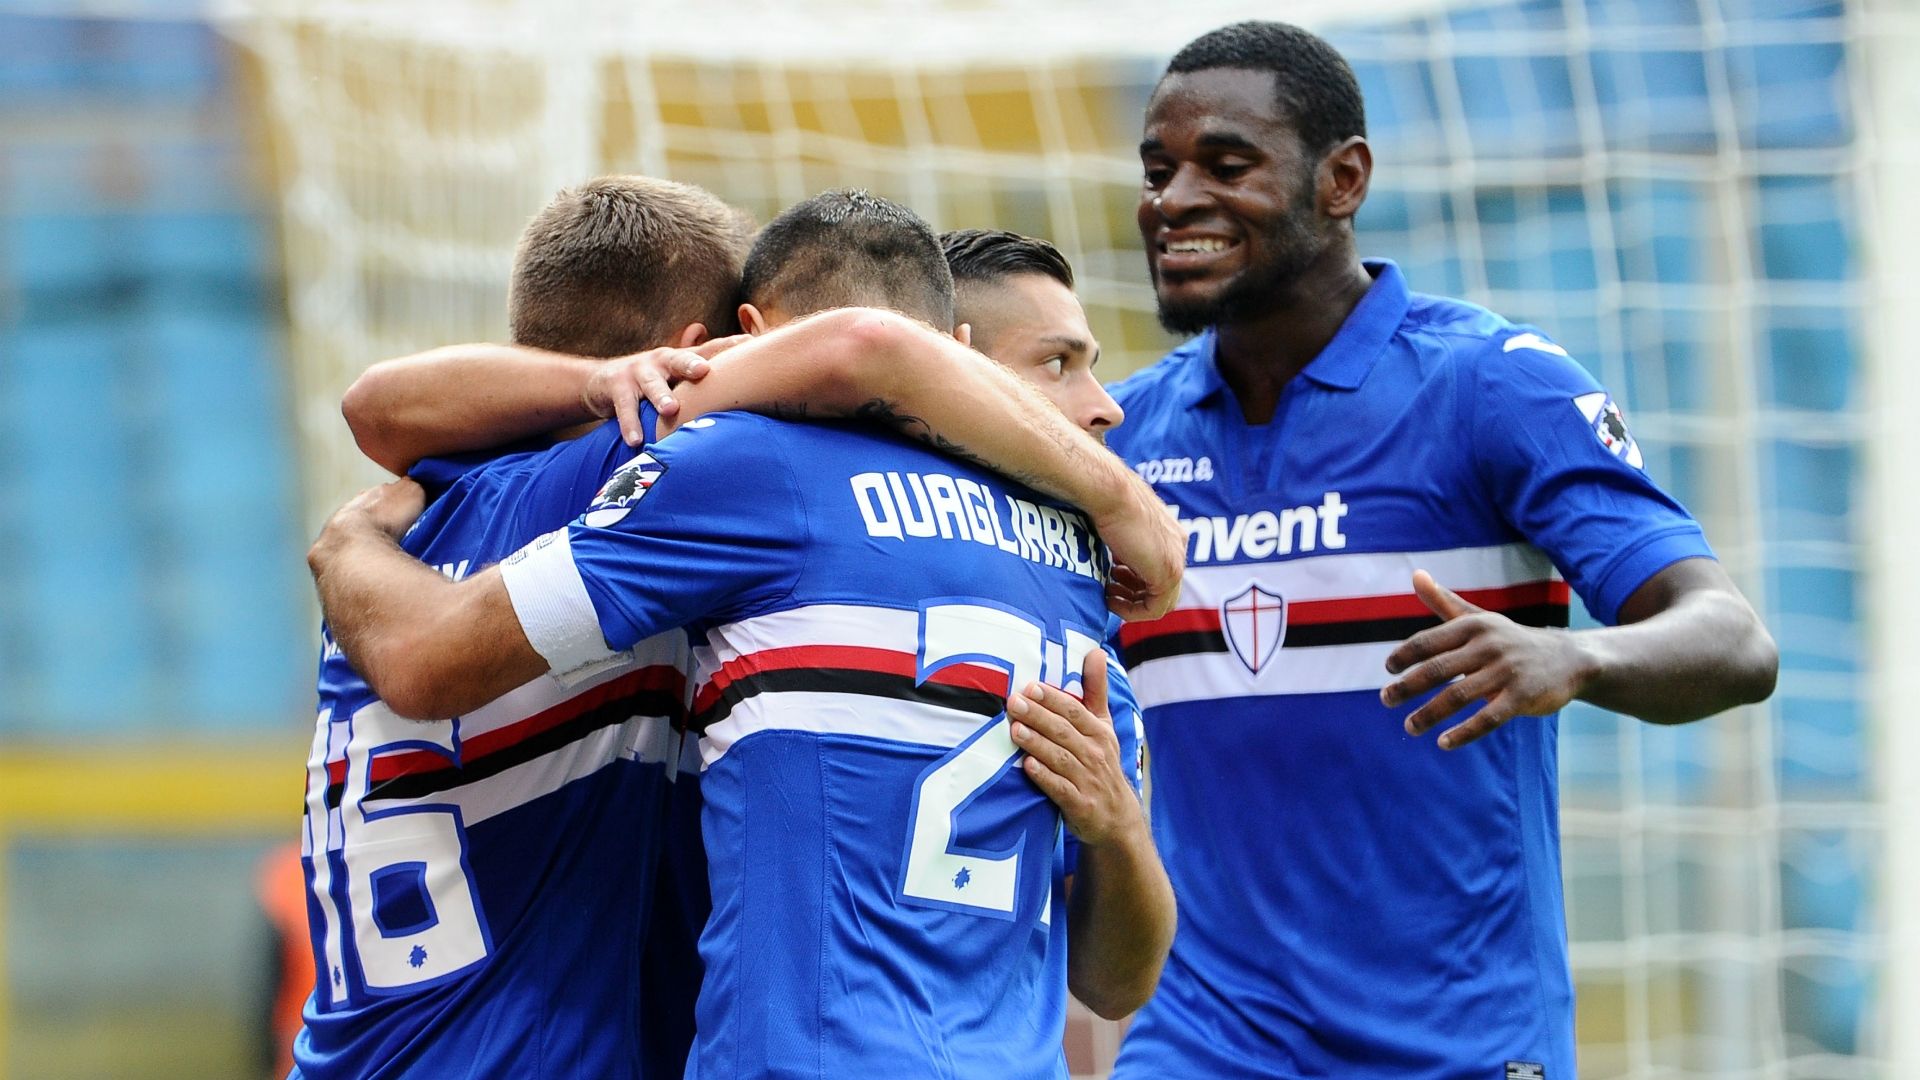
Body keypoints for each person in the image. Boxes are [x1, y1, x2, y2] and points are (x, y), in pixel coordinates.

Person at [296, 178, 1175, 1079]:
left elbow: (373, 407)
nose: (1106, 407)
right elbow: (863, 346)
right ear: (701, 355)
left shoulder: (415, 526)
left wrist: (347, 543)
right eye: (1059, 364)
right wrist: (1120, 495)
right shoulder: (690, 470)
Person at [1102, 21, 1780, 1079]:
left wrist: (1577, 658)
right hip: (1204, 1038)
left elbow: (1733, 640)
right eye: (1157, 170)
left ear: (1343, 179)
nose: (1172, 200)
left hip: (1457, 1045)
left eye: (1225, 165)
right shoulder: (1123, 443)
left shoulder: (1492, 386)